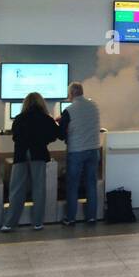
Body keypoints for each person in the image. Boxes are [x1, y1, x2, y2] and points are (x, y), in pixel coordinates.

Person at [0, 92, 60, 233]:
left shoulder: (20, 118)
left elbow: (15, 136)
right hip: (38, 154)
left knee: (16, 189)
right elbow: (55, 134)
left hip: (21, 154)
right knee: (38, 188)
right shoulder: (46, 118)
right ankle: (37, 222)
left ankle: (9, 223)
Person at [59, 81, 102, 225]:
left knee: (73, 185)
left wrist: (60, 122)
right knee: (91, 184)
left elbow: (61, 134)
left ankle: (70, 218)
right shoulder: (94, 106)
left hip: (76, 151)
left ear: (71, 94)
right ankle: (91, 217)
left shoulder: (69, 110)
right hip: (94, 149)